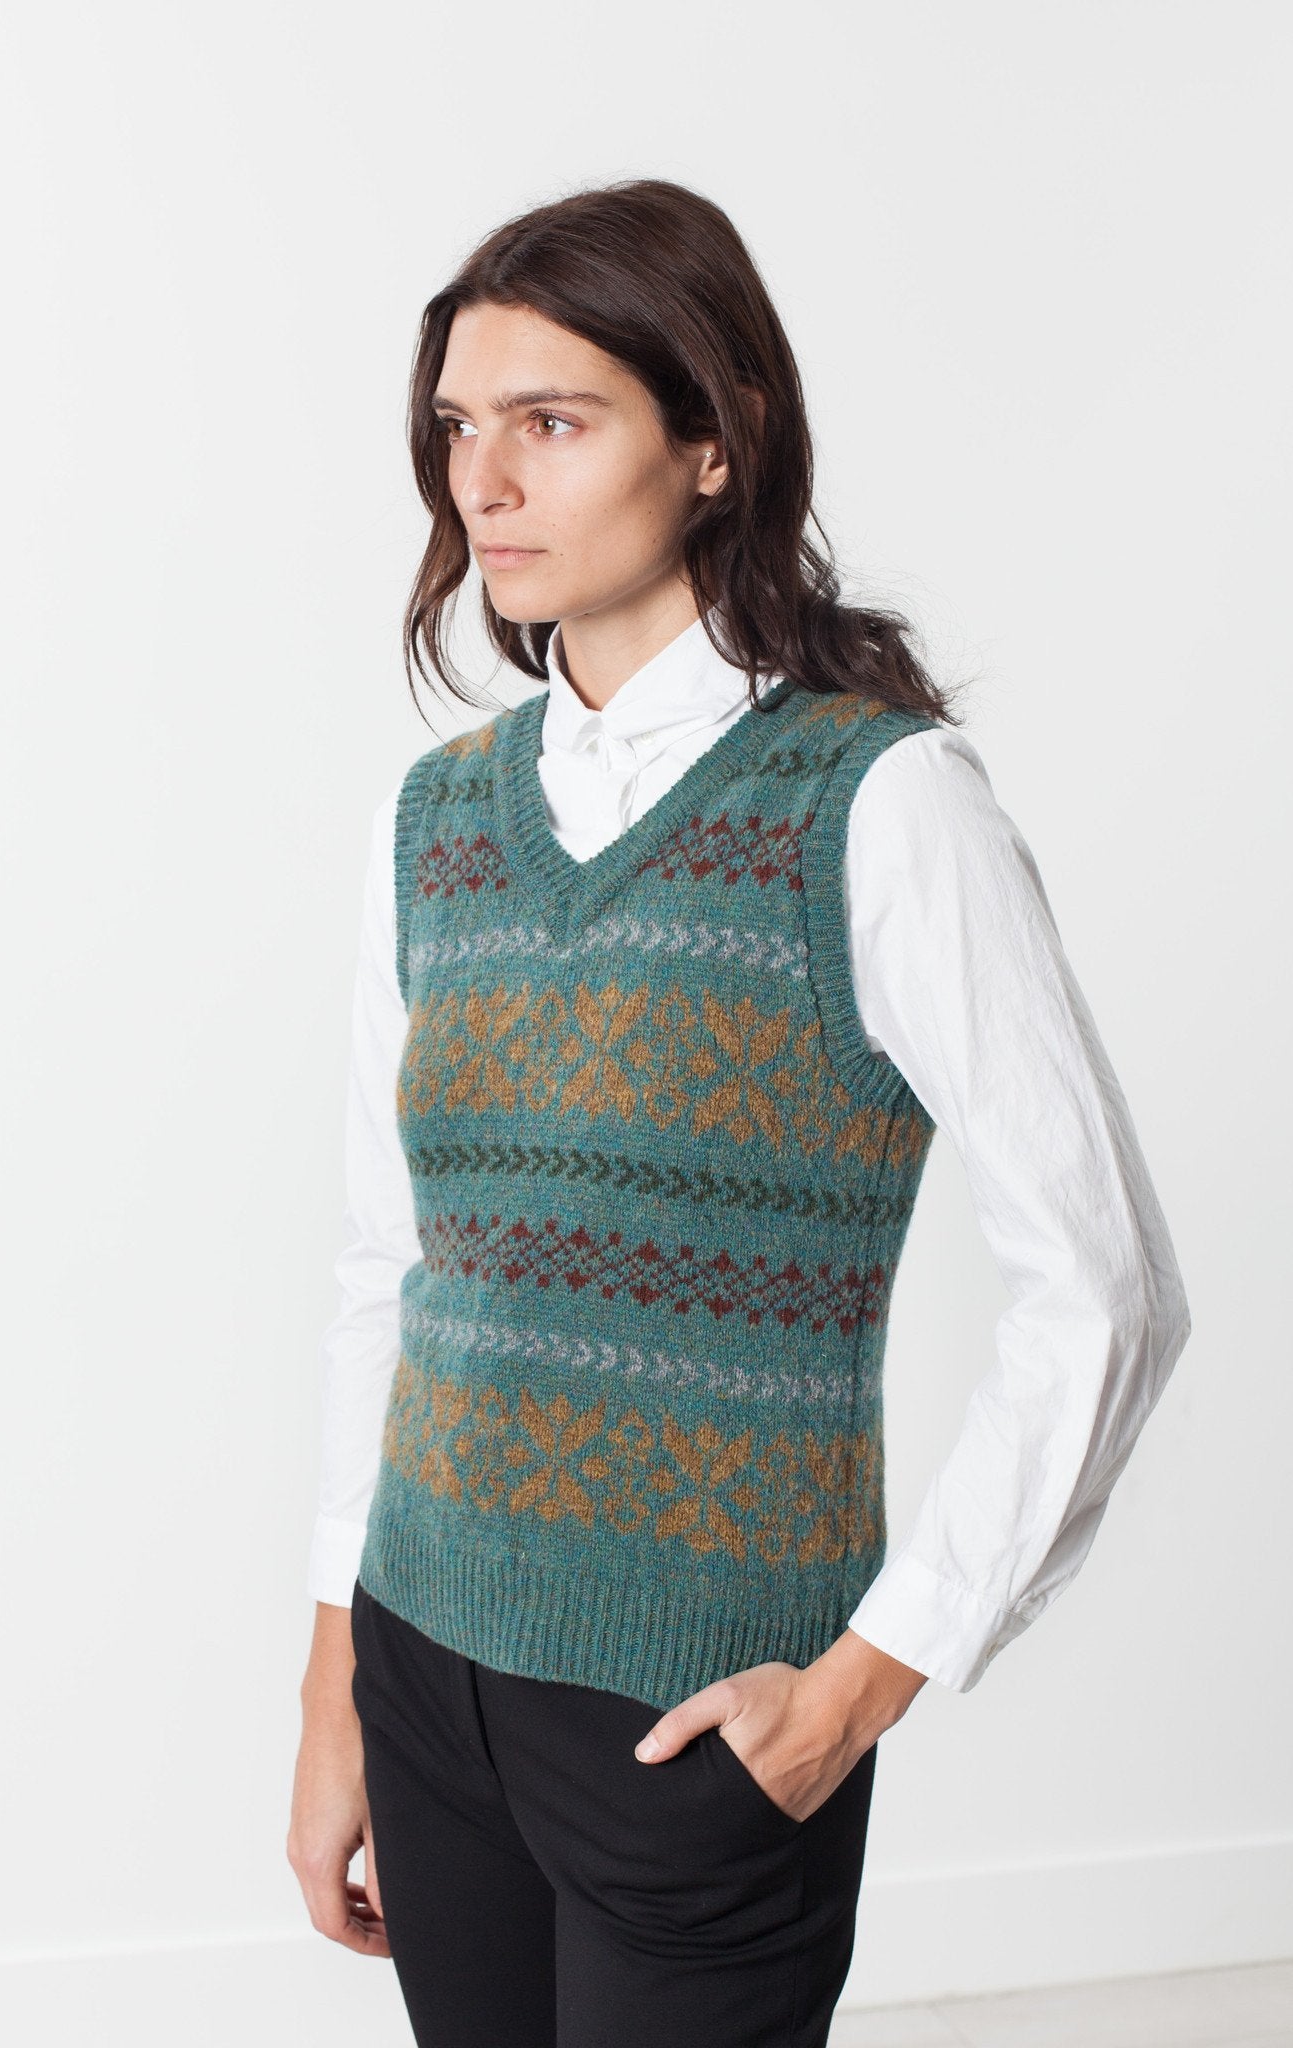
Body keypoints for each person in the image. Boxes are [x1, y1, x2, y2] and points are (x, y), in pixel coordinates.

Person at [287, 178, 1192, 2048]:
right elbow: (393, 1266)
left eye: (553, 421)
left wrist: (860, 1689)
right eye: (457, 427)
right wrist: (334, 1692)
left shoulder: (877, 804)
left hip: (694, 1725)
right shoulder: (435, 820)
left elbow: (1105, 1291)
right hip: (424, 1674)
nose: (483, 484)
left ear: (716, 441)